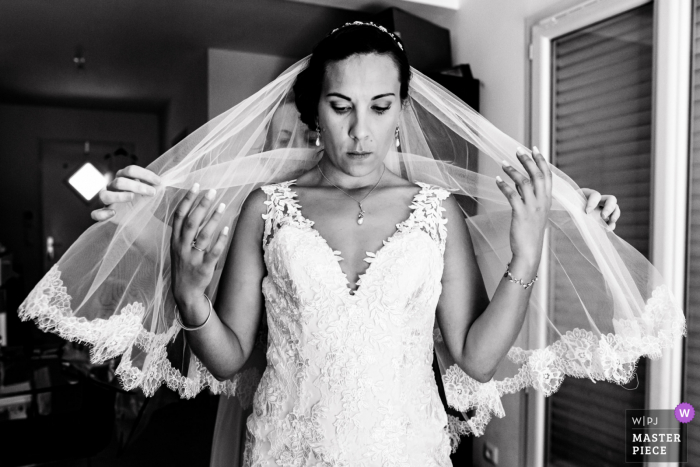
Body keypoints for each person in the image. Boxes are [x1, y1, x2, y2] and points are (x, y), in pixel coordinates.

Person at [19, 21, 685, 467]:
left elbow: (477, 360)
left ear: (403, 107)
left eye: (380, 106)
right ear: (314, 111)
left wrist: (528, 257)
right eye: (341, 108)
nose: (361, 132)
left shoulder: (438, 215)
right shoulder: (267, 208)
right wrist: (193, 297)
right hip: (286, 449)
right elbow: (227, 363)